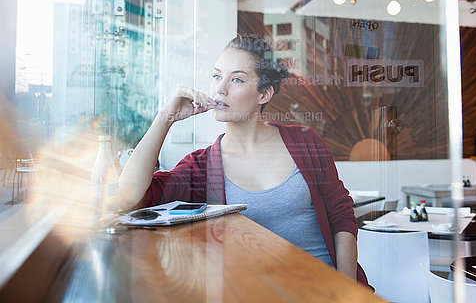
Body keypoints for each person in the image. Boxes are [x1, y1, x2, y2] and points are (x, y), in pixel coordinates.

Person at [118, 35, 369, 286]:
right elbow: (129, 196)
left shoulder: (305, 142)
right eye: (217, 76)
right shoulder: (201, 167)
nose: (221, 88)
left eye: (236, 79)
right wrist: (166, 117)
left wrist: (346, 291)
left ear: (264, 94)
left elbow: (341, 216)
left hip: (325, 291)